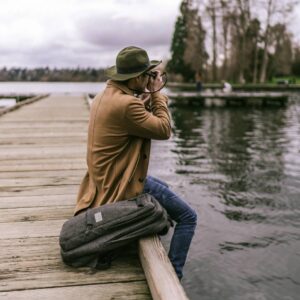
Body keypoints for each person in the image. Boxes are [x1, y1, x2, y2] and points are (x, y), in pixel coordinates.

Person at [74, 46, 197, 280]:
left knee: (165, 189)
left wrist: (149, 96)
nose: (152, 77)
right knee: (189, 217)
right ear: (137, 78)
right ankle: (173, 276)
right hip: (120, 183)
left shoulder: (105, 96)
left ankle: (152, 225)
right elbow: (164, 129)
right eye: (148, 74)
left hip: (105, 178)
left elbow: (136, 114)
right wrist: (157, 93)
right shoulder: (127, 105)